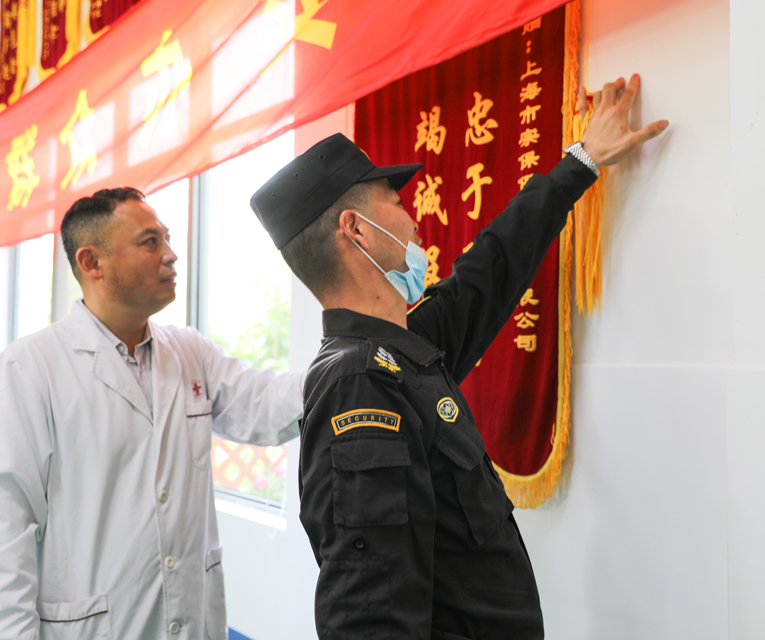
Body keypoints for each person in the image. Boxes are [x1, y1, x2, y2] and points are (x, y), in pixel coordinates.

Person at [249, 75, 668, 639]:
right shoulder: (360, 384)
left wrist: (582, 160)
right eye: (397, 204)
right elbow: (371, 616)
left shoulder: (400, 350)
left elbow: (489, 270)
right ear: (357, 231)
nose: (413, 220)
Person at [0, 187, 304, 640]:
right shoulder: (29, 368)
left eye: (167, 239)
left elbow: (265, 407)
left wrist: (348, 364)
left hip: (190, 619)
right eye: (150, 242)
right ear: (92, 262)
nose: (171, 255)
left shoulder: (189, 351)